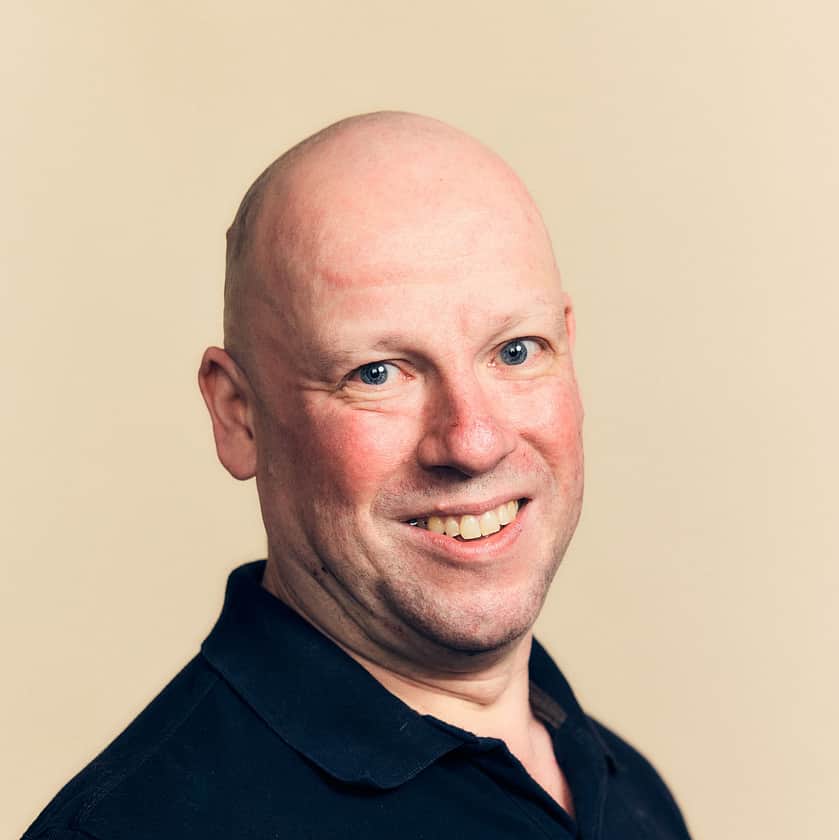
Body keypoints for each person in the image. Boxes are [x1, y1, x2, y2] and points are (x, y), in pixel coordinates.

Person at [24, 112, 692, 839]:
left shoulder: (625, 790)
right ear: (238, 414)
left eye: (516, 351)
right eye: (376, 373)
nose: (471, 440)